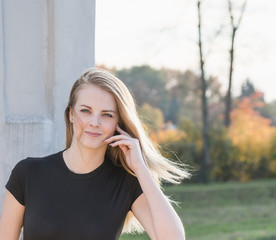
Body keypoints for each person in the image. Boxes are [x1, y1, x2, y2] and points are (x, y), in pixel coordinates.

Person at [0, 68, 189, 240]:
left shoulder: (126, 182)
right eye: (86, 111)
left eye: (107, 114)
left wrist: (140, 168)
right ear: (71, 114)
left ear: (118, 124)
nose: (94, 122)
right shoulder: (28, 173)